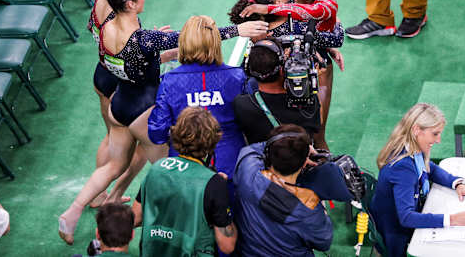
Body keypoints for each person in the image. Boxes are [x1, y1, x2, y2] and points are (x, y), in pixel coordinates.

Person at [59, 0, 267, 245]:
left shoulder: (107, 27)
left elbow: (138, 60)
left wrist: (162, 54)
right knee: (176, 180)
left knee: (115, 164)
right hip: (143, 107)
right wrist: (238, 30)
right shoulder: (144, 38)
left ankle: (74, 211)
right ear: (131, 4)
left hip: (120, 101)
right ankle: (153, 228)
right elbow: (191, 36)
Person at [229, 0, 344, 149]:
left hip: (267, 95)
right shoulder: (299, 25)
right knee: (316, 138)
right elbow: (336, 38)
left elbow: (246, 69)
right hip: (298, 92)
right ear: (275, 4)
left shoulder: (258, 30)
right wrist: (334, 21)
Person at [369, 104, 465, 256]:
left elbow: (429, 167)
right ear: (417, 130)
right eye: (435, 134)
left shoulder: (411, 147)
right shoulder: (403, 168)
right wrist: (452, 219)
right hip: (396, 235)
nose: (438, 140)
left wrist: (457, 183)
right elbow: (406, 217)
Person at [147, 15, 248, 185]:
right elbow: (253, 123)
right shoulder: (237, 77)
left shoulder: (169, 81)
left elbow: (157, 133)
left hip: (184, 172)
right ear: (216, 42)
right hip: (231, 167)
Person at [86, 0, 153, 207]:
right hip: (120, 84)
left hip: (102, 74)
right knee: (141, 147)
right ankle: (112, 197)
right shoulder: (120, 16)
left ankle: (97, 196)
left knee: (110, 139)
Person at [138, 107, 237, 256]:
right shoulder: (214, 183)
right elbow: (227, 245)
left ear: (176, 134)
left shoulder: (157, 168)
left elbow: (136, 216)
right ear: (212, 141)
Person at [234, 124, 333, 256]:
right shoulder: (309, 208)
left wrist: (286, 145)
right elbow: (324, 242)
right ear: (304, 163)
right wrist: (323, 210)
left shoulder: (248, 171)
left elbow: (253, 149)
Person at [233, 38, 321, 143]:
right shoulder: (308, 104)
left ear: (250, 70)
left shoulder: (241, 105)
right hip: (300, 157)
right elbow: (319, 125)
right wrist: (312, 83)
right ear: (281, 70)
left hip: (265, 157)